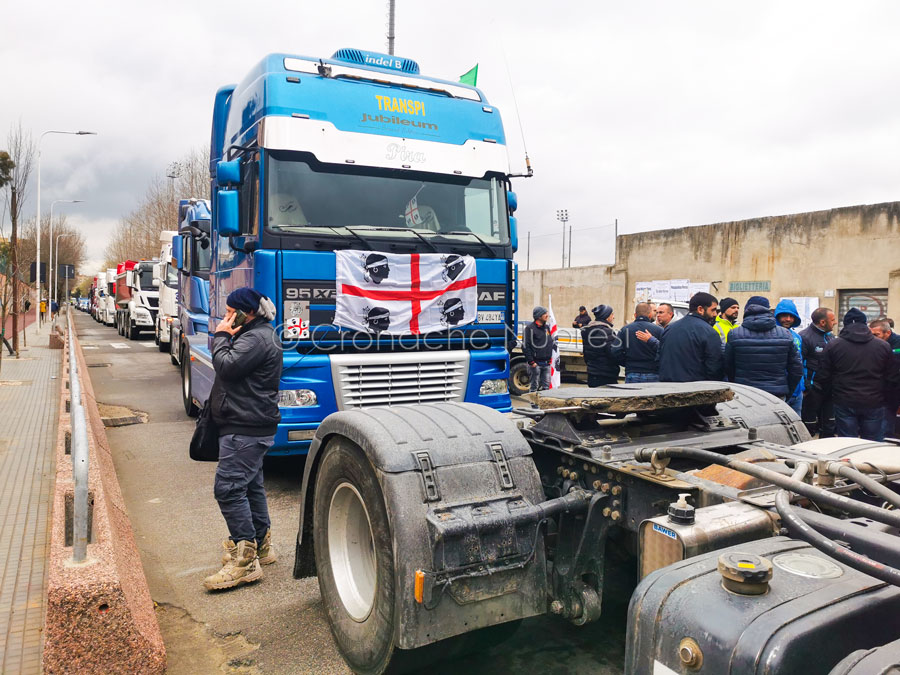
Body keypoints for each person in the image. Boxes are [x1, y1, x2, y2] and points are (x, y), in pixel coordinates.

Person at [204, 288, 282, 591]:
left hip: (245, 428)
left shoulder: (255, 338)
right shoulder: (258, 334)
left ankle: (246, 559)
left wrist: (222, 335)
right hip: (249, 425)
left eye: (228, 312)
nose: (225, 317)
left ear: (243, 312)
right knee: (250, 486)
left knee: (228, 488)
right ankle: (261, 545)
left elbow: (226, 365)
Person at [811, 308, 896, 442]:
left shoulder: (833, 345)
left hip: (844, 401)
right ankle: (871, 462)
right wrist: (885, 399)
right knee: (872, 443)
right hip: (874, 401)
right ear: (865, 324)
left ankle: (849, 463)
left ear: (845, 325)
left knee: (847, 443)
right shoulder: (883, 346)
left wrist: (832, 395)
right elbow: (891, 377)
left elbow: (823, 376)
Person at [725, 296, 803, 401]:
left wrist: (736, 385)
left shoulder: (734, 334)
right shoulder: (786, 334)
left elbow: (728, 366)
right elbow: (796, 369)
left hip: (745, 393)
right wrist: (787, 391)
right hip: (776, 394)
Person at [658, 292, 723, 382]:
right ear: (700, 309)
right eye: (713, 310)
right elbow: (714, 367)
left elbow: (659, 358)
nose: (715, 314)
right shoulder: (709, 332)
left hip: (668, 386)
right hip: (694, 389)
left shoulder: (669, 329)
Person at [799, 307, 837, 437]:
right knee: (809, 424)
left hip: (830, 388)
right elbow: (799, 363)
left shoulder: (831, 337)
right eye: (833, 320)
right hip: (813, 389)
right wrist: (806, 386)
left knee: (829, 424)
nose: (836, 322)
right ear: (822, 322)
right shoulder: (804, 337)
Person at [616, 302, 662, 383]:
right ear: (650, 315)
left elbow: (615, 350)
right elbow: (664, 350)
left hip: (632, 371)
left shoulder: (624, 330)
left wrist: (626, 363)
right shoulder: (659, 330)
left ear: (635, 315)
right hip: (653, 372)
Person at [869, 318, 900, 438]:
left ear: (888, 332)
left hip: (895, 387)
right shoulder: (873, 345)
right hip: (881, 389)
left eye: (877, 335)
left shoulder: (897, 343)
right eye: (872, 334)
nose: (874, 338)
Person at [774, 299, 805, 414]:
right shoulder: (772, 335)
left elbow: (801, 361)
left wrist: (802, 386)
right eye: (784, 316)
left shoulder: (797, 337)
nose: (788, 319)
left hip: (797, 393)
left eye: (791, 316)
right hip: (781, 390)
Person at [582, 304, 619, 387]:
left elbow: (586, 353)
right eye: (612, 314)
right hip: (607, 374)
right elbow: (612, 353)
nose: (613, 317)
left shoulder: (587, 330)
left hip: (592, 373)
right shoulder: (607, 332)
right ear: (606, 317)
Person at [523, 306, 554, 392]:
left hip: (546, 364)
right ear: (539, 316)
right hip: (536, 364)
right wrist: (531, 362)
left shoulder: (546, 327)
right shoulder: (530, 328)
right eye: (545, 313)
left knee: (546, 389)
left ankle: (543, 405)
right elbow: (525, 346)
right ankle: (534, 405)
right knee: (534, 388)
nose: (547, 315)